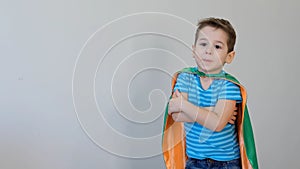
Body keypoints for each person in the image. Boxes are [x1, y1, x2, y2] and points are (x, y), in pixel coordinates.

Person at [162, 17, 258, 169]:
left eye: (217, 46)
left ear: (229, 56)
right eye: (203, 44)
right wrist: (212, 112)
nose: (208, 50)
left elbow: (217, 125)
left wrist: (184, 105)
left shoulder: (228, 85)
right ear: (194, 50)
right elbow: (176, 115)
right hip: (194, 160)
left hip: (226, 162)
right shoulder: (185, 78)